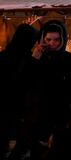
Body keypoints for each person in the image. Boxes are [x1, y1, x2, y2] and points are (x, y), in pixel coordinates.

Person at [17, 20, 71, 160]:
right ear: (42, 38)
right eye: (48, 39)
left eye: (56, 40)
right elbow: (23, 81)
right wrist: (34, 59)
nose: (52, 43)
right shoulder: (36, 58)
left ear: (62, 39)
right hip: (38, 115)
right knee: (39, 152)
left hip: (62, 114)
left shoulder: (70, 60)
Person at [0, 24, 38, 158]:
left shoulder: (4, 55)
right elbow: (25, 79)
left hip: (4, 102)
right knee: (22, 139)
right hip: (19, 103)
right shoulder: (28, 58)